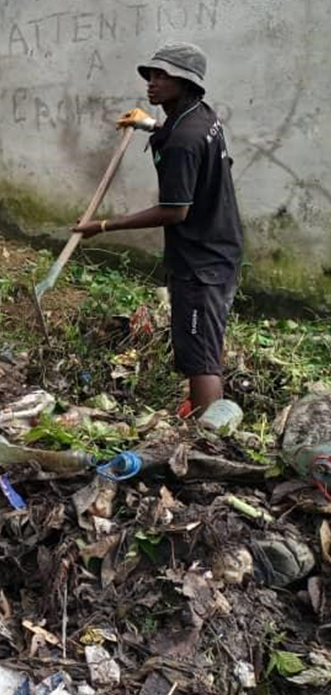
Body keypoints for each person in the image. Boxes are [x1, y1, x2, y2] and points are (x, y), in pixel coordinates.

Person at [76, 43, 243, 416]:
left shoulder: (184, 140)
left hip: (202, 259)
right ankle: (206, 419)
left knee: (201, 357)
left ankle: (205, 439)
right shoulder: (201, 117)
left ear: (185, 83)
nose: (152, 83)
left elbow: (174, 211)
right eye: (151, 74)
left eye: (163, 76)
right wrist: (149, 125)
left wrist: (102, 225)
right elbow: (190, 146)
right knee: (205, 343)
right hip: (219, 245)